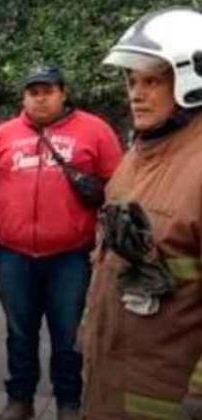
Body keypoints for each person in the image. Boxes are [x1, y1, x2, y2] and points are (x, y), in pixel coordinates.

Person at [0, 65, 122, 420]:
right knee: (20, 333)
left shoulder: (94, 131)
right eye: (32, 91)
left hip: (72, 256)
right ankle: (20, 399)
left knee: (68, 334)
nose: (40, 97)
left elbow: (120, 186)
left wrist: (109, 238)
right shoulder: (2, 136)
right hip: (14, 256)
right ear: (24, 96)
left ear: (63, 93)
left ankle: (68, 401)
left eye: (47, 90)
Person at [80, 7, 202, 420]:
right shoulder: (138, 155)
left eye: (152, 80)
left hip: (165, 398)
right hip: (111, 380)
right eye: (132, 81)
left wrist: (197, 400)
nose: (135, 93)